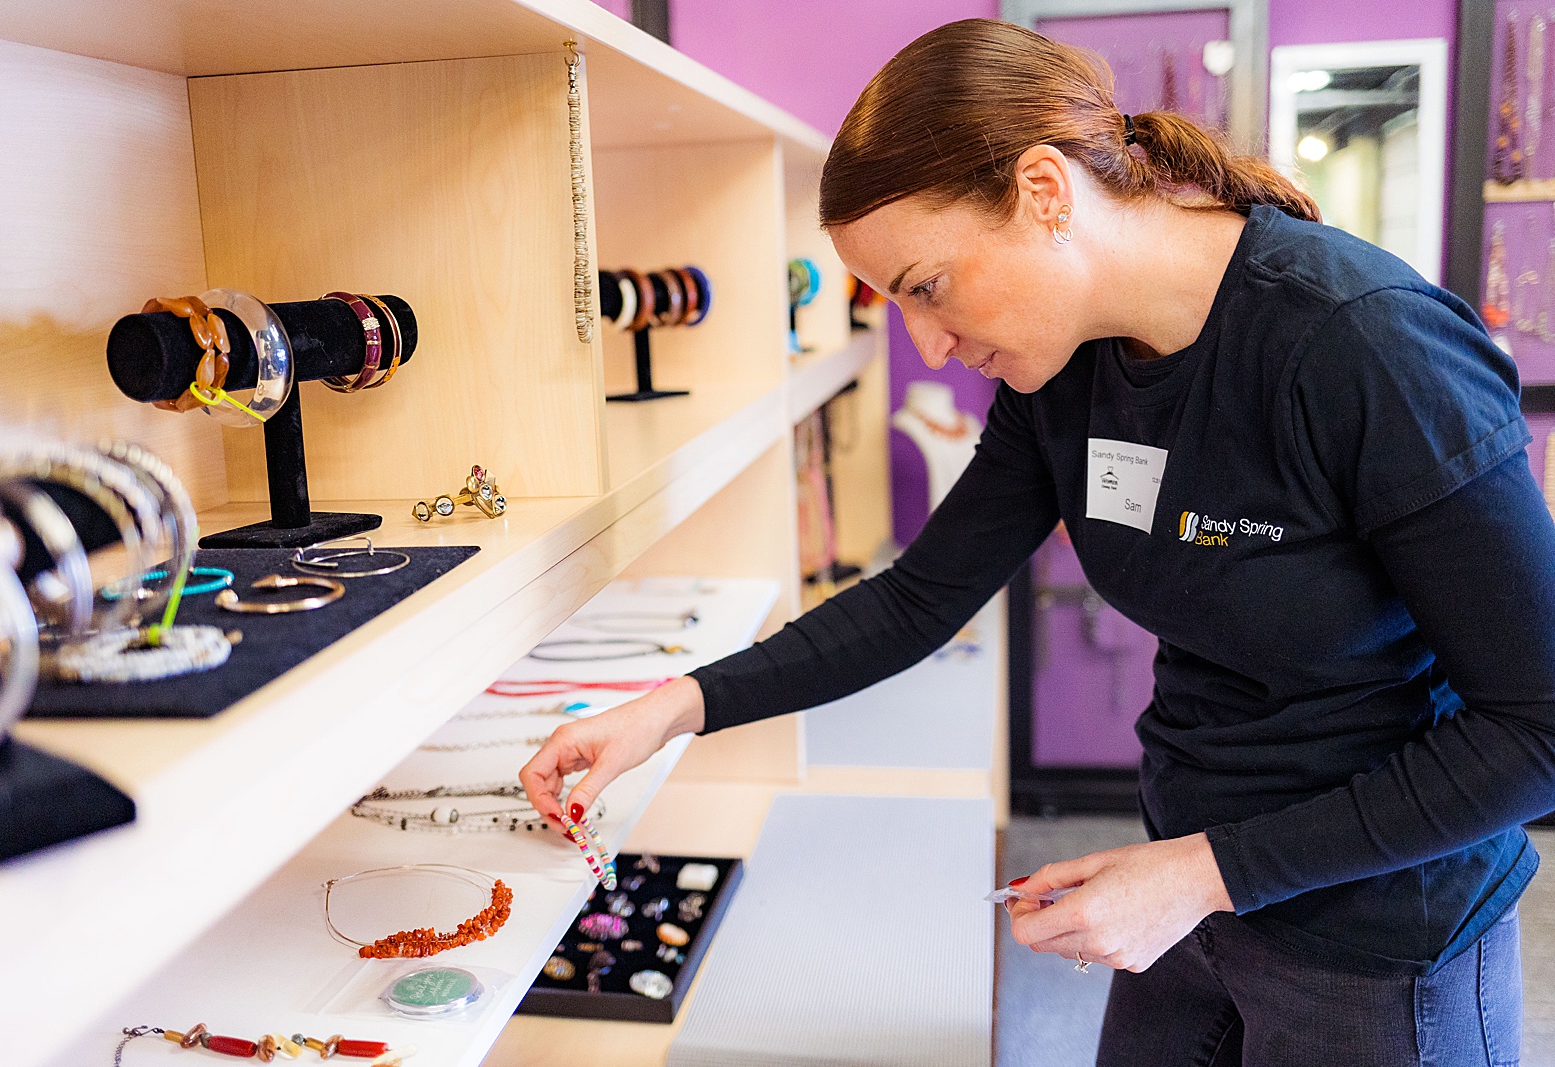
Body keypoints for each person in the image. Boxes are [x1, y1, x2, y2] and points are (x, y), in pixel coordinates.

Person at [522, 19, 1555, 1065]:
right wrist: (671, 708)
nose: (927, 344)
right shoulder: (1061, 368)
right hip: (1190, 888)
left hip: (1380, 936)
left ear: (1045, 192)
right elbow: (918, 598)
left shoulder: (1363, 344)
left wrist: (1203, 871)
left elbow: (1539, 726)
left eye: (926, 286)